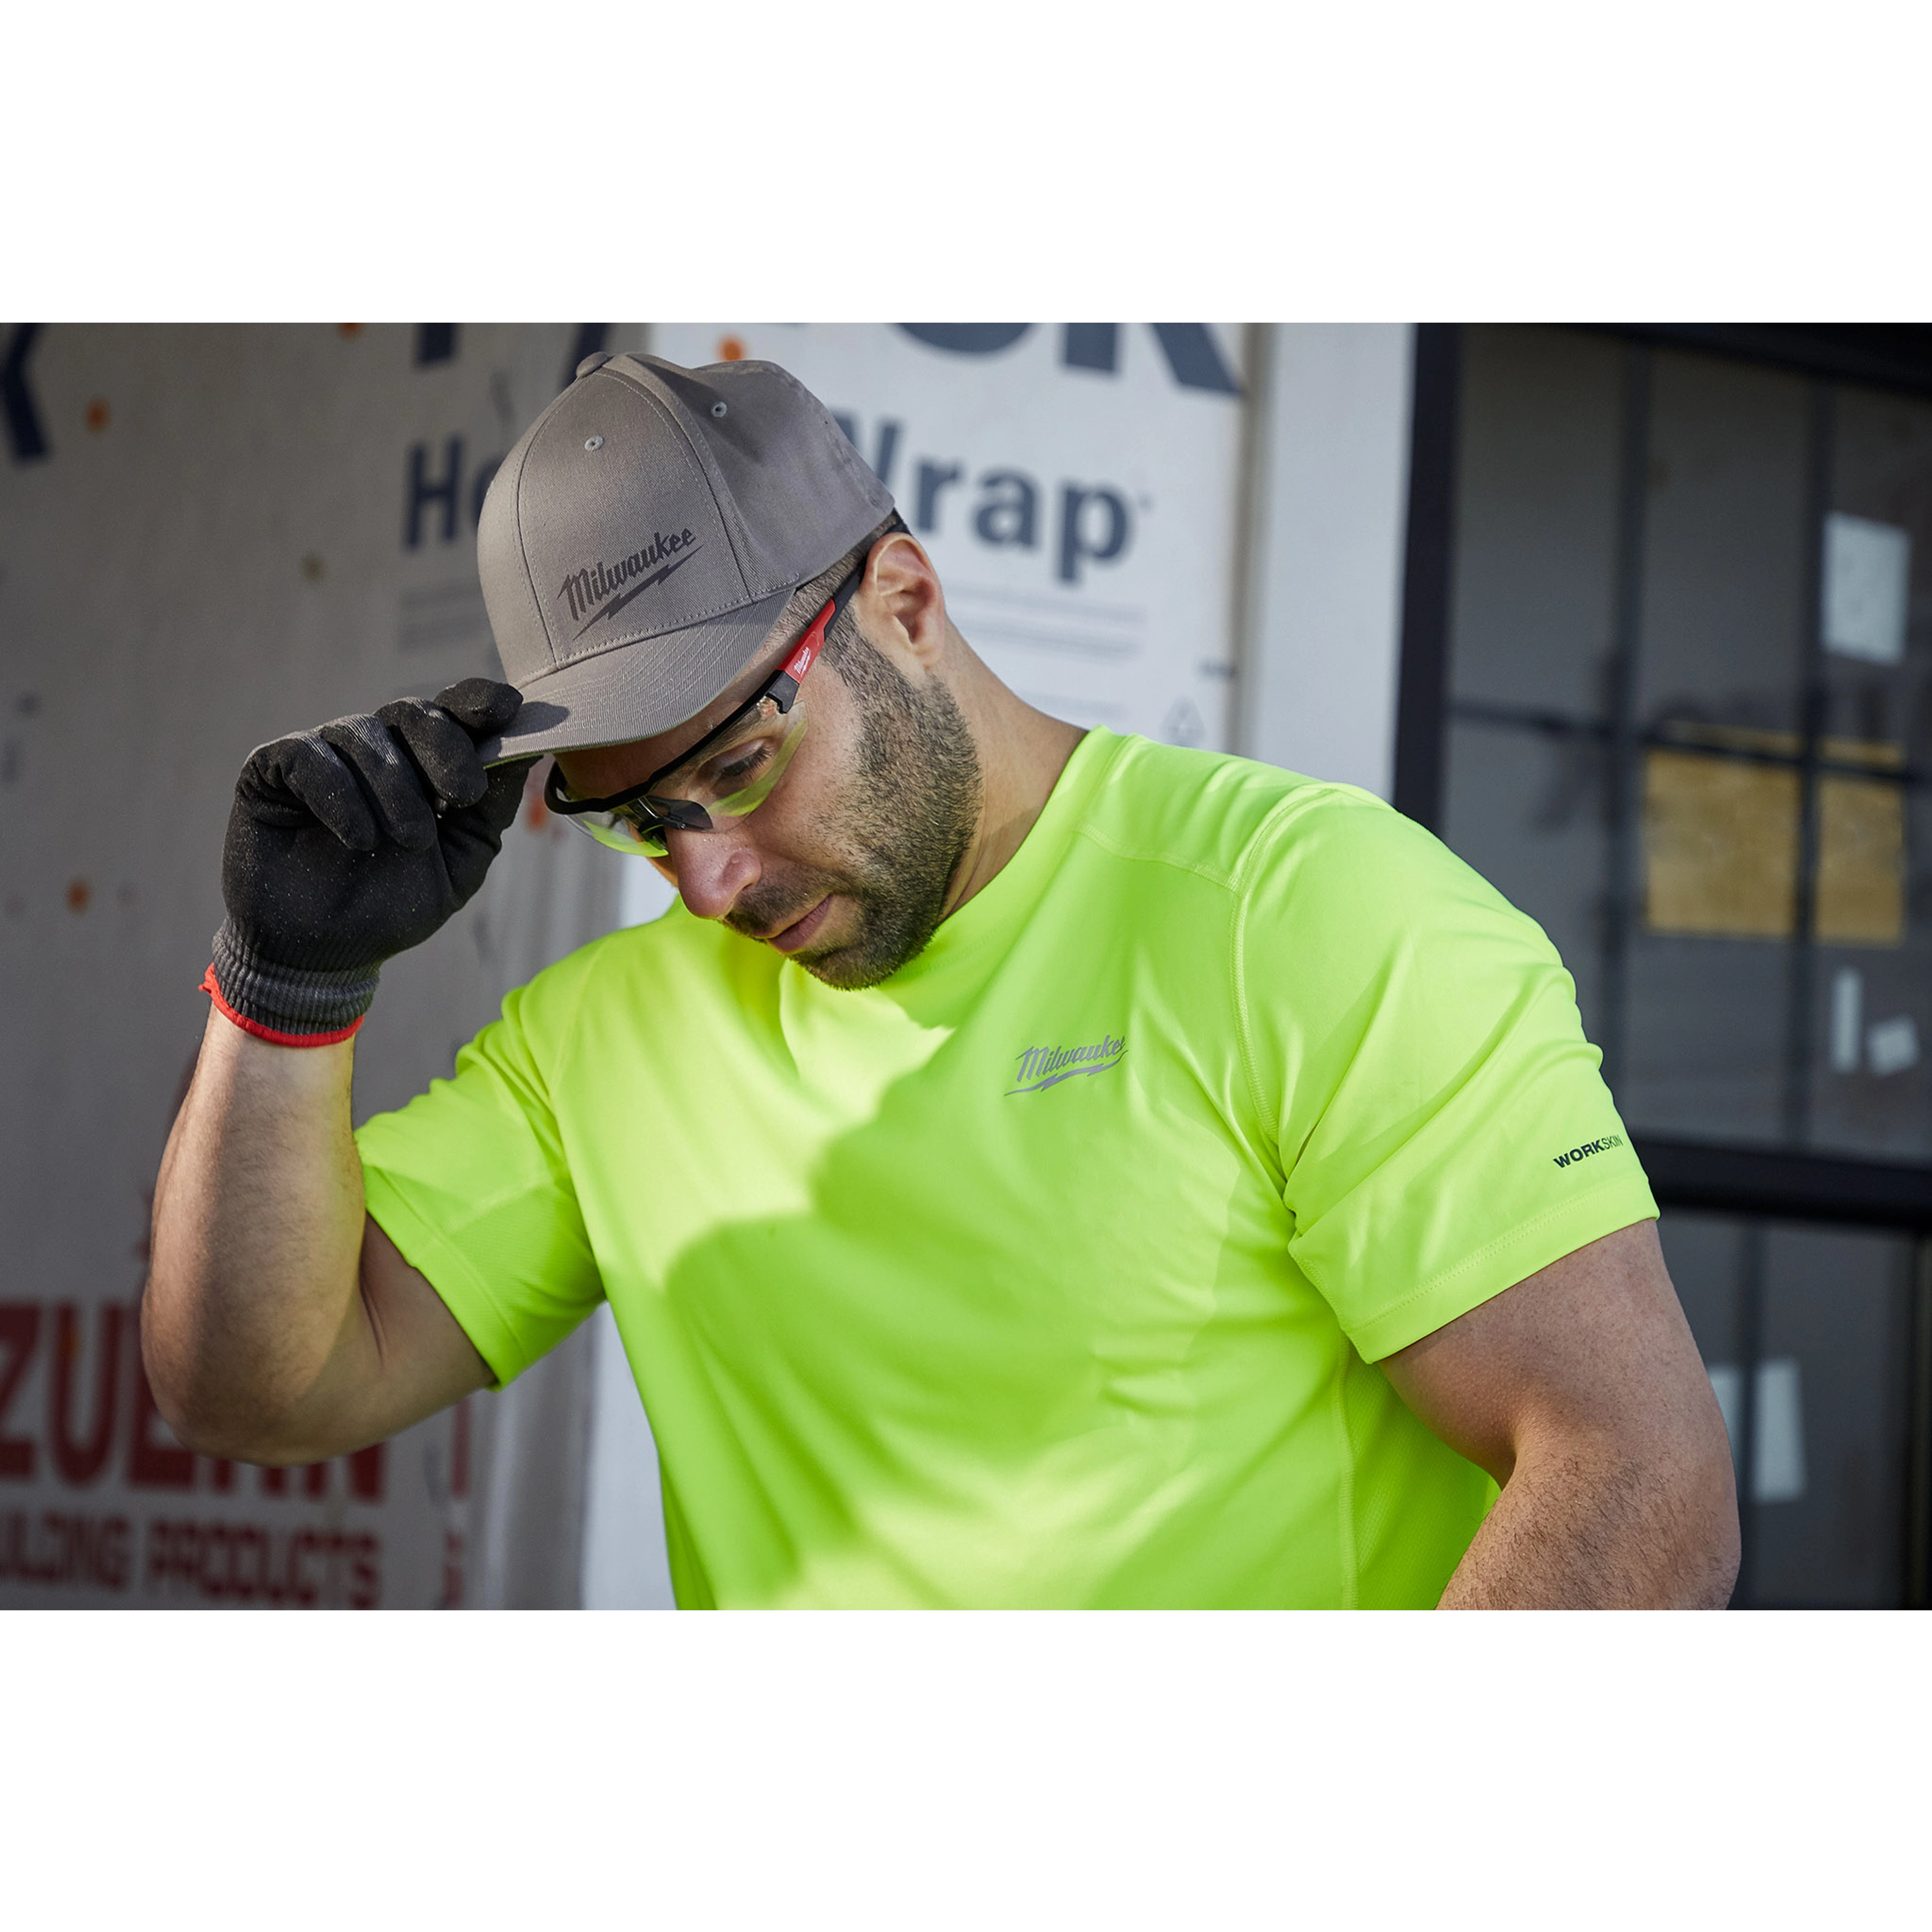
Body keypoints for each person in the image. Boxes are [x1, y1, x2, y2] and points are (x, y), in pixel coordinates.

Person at [146, 352, 1739, 1609]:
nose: (709, 880)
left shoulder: (1300, 912)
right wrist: (289, 991)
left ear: (904, 603)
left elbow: (1638, 1481)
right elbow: (255, 1393)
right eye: (639, 821)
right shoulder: (601, 1039)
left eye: (743, 766)